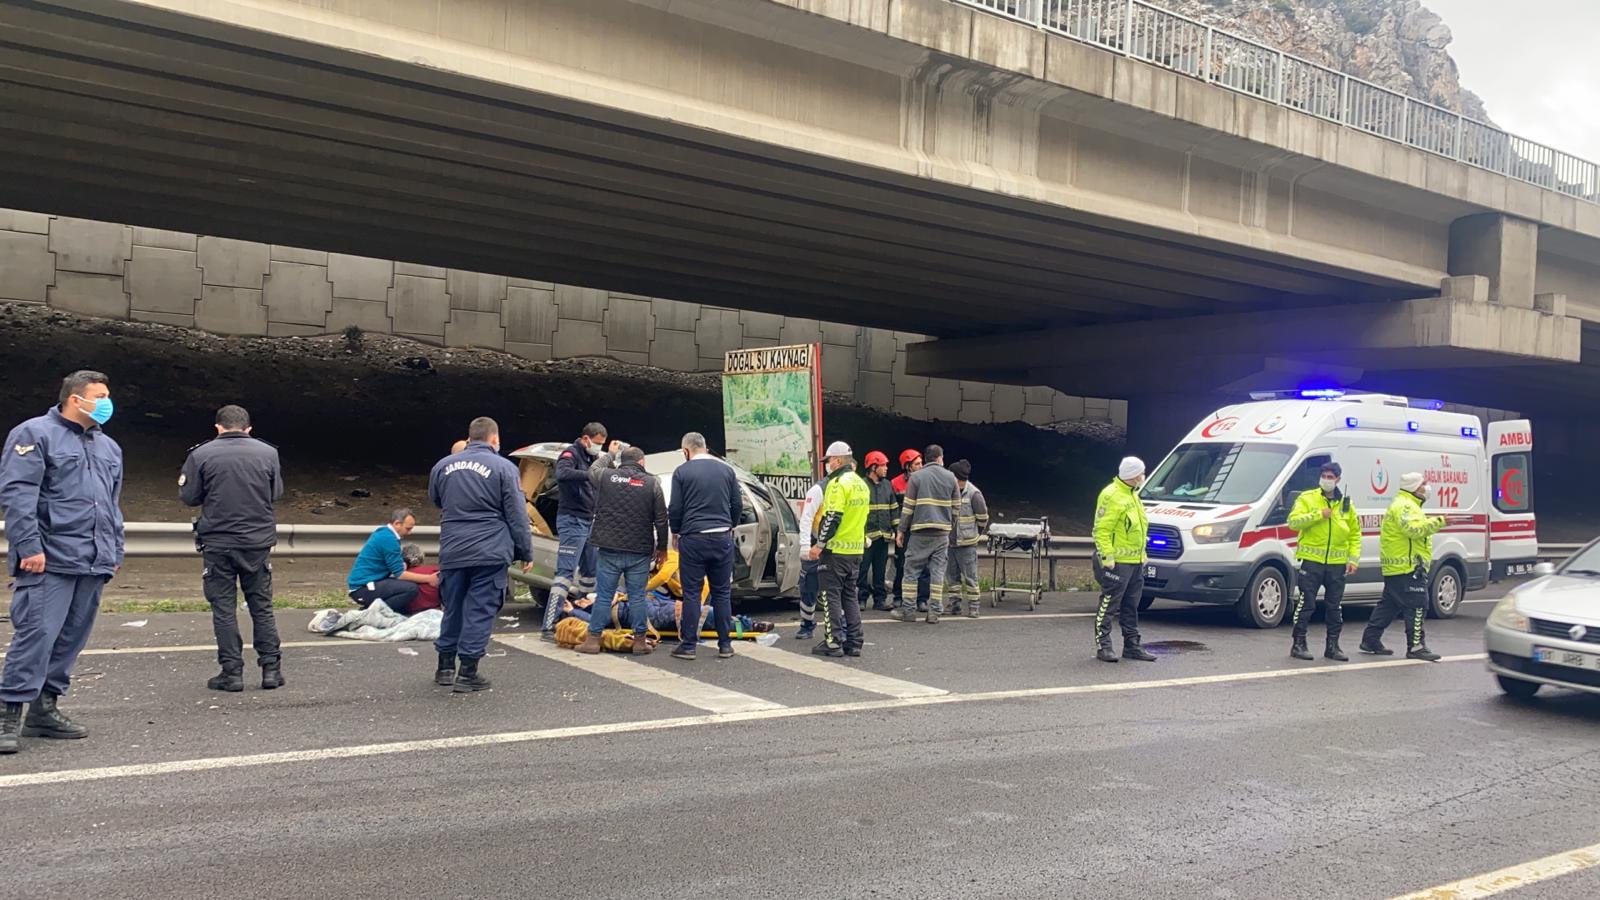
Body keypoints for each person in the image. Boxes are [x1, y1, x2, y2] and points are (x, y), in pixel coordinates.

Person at [0, 370, 123, 754]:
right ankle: (8, 714)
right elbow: (19, 495)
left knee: (70, 638)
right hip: (48, 559)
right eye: (99, 395)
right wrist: (28, 547)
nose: (106, 402)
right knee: (36, 635)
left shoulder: (108, 447)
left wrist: (113, 550)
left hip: (93, 559)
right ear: (75, 399)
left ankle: (44, 709)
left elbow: (111, 503)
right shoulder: (34, 434)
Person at [179, 404, 285, 693]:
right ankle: (271, 669)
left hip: (219, 542)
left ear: (218, 427)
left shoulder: (200, 454)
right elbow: (275, 493)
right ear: (249, 428)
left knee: (223, 608)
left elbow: (189, 497)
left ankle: (231, 671)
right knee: (262, 606)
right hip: (257, 541)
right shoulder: (268, 453)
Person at [428, 417, 535, 692]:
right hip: (489, 550)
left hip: (453, 548)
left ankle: (444, 667)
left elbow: (437, 499)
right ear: (495, 439)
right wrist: (525, 550)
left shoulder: (442, 466)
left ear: (469, 436)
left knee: (453, 607)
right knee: (479, 610)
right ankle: (468, 672)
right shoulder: (504, 468)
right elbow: (516, 514)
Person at [577, 446, 669, 656]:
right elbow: (662, 519)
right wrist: (662, 548)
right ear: (642, 462)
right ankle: (639, 642)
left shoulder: (606, 476)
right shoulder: (652, 483)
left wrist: (609, 454)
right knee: (637, 596)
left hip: (609, 548)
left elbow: (592, 469)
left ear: (620, 462)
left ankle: (592, 640)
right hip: (639, 550)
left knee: (604, 595)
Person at [667, 432, 742, 660]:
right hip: (721, 537)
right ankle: (725, 644)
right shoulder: (727, 470)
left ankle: (688, 645)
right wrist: (730, 525)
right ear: (706, 448)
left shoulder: (682, 472)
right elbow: (737, 504)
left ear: (686, 451)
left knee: (692, 593)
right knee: (722, 593)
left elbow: (676, 508)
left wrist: (676, 531)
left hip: (693, 538)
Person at [1361, 472, 1446, 662]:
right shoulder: (1406, 506)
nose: (1427, 487)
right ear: (1415, 487)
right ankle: (1416, 646)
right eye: (1424, 484)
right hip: (1407, 567)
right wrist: (1440, 521)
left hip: (1398, 567)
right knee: (1417, 605)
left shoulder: (1405, 504)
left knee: (1389, 605)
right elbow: (1414, 530)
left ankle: (1370, 639)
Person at [1286, 462, 1360, 662]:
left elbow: (1354, 534)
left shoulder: (1346, 504)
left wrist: (1353, 559)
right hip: (1312, 561)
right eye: (1324, 475)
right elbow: (1293, 522)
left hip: (1337, 564)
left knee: (1334, 607)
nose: (1327, 479)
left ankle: (1333, 646)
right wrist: (1319, 515)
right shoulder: (1307, 498)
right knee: (1306, 604)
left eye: (1331, 476)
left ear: (1338, 479)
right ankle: (1299, 644)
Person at [541, 422, 607, 640]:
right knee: (565, 574)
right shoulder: (570, 454)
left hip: (590, 520)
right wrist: (590, 474)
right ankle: (548, 626)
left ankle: (581, 616)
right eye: (597, 443)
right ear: (586, 439)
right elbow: (563, 474)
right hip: (572, 520)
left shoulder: (592, 458)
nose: (598, 447)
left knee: (590, 573)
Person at [809, 442, 870, 657]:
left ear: (837, 460)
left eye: (828, 461)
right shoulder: (861, 484)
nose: (827, 466)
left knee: (830, 596)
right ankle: (855, 641)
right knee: (850, 596)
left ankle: (833, 641)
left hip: (835, 552)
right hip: (855, 551)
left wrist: (819, 545)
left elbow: (832, 517)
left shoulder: (837, 484)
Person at [1093, 457, 1155, 663]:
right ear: (1133, 475)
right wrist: (1107, 557)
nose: (1143, 476)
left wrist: (1142, 554)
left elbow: (1139, 528)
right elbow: (1101, 529)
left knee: (1131, 605)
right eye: (1141, 472)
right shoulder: (1111, 495)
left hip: (1135, 562)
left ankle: (1132, 645)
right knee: (1109, 604)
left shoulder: (1133, 495)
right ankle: (1104, 645)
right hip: (1117, 563)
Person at [894, 444, 960, 625]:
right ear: (940, 458)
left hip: (920, 532)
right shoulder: (951, 478)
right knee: (937, 573)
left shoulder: (916, 477)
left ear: (927, 458)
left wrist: (901, 530)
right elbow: (956, 507)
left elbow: (908, 508)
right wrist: (949, 525)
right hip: (941, 534)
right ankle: (934, 612)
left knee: (911, 571)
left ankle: (908, 611)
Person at [346, 509, 436, 611]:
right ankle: (375, 612)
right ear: (397, 524)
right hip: (362, 588)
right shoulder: (389, 540)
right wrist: (429, 578)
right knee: (411, 589)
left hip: (364, 584)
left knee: (404, 586)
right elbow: (400, 574)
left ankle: (372, 609)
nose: (409, 532)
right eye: (408, 529)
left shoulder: (384, 532)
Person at [946, 459, 989, 619]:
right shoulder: (950, 492)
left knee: (971, 577)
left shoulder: (973, 493)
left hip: (967, 544)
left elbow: (983, 518)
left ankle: (974, 607)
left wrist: (974, 534)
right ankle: (954, 605)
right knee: (952, 577)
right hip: (950, 542)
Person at [891, 449, 931, 611]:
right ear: (907, 466)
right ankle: (898, 596)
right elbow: (894, 509)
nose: (921, 466)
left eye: (921, 463)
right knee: (901, 563)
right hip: (905, 529)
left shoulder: (927, 481)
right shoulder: (895, 483)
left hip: (921, 528)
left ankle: (922, 599)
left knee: (924, 565)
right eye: (917, 464)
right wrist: (897, 530)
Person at [857, 450, 895, 612]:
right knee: (862, 569)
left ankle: (880, 600)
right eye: (883, 465)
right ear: (873, 467)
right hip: (867, 537)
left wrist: (896, 529)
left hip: (883, 536)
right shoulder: (861, 485)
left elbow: (893, 508)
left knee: (880, 570)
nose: (886, 468)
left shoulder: (887, 485)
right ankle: (861, 599)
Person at [793, 474, 825, 640]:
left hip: (838, 547)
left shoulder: (849, 488)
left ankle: (839, 626)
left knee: (838, 590)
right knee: (808, 586)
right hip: (816, 543)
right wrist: (805, 546)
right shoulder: (819, 489)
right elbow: (807, 518)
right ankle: (807, 624)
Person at [401, 543, 442, 613]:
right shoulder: (435, 571)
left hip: (410, 613)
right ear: (422, 557)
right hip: (435, 611)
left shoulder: (400, 577)